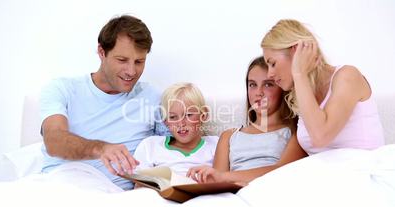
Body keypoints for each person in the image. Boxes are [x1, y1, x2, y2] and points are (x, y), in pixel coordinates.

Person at [40, 15, 169, 190]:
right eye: (122, 60)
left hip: (114, 196)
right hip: (61, 184)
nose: (131, 71)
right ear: (102, 52)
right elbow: (53, 141)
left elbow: (176, 147)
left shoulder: (152, 98)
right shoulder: (63, 89)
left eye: (139, 62)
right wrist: (100, 149)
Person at [261, 19, 385, 155]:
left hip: (363, 172)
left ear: (296, 51)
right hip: (325, 174)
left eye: (272, 63)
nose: (269, 74)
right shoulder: (301, 94)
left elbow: (321, 136)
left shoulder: (348, 76)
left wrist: (299, 73)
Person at [187, 56, 307, 184]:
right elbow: (217, 183)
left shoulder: (296, 133)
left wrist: (223, 177)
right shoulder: (229, 136)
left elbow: (281, 171)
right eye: (252, 84)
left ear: (282, 88)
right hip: (233, 197)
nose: (258, 92)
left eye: (268, 84)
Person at [133, 83, 218, 177]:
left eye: (188, 115)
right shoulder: (150, 145)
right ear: (165, 122)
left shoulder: (216, 145)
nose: (181, 124)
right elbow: (139, 185)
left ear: (204, 115)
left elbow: (224, 179)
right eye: (173, 117)